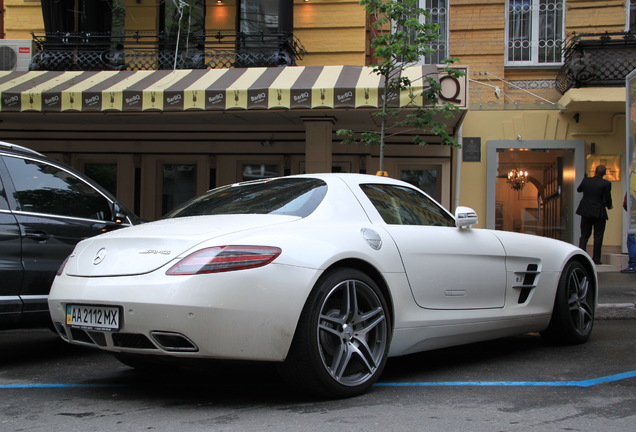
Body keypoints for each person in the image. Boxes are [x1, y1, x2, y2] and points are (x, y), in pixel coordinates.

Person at [576, 164, 613, 264]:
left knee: (584, 235)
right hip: (598, 211)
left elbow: (579, 189)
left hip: (586, 210)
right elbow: (607, 197)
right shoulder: (606, 183)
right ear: (604, 173)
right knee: (598, 236)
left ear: (595, 171)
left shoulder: (586, 181)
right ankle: (596, 259)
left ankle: (580, 258)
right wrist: (609, 206)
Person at [621, 193, 636, 273]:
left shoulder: (631, 188)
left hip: (634, 216)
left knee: (632, 239)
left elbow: (626, 204)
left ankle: (633, 265)